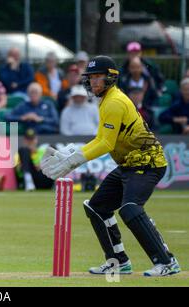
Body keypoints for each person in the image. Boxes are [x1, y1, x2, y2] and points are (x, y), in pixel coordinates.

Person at [41, 56, 180, 277]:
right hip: (128, 164)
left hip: (148, 162)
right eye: (91, 78)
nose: (94, 82)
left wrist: (73, 161)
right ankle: (118, 261)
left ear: (111, 78)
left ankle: (167, 261)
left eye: (99, 77)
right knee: (96, 207)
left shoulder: (114, 102)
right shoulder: (106, 100)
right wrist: (72, 153)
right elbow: (102, 137)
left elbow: (106, 143)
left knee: (130, 208)